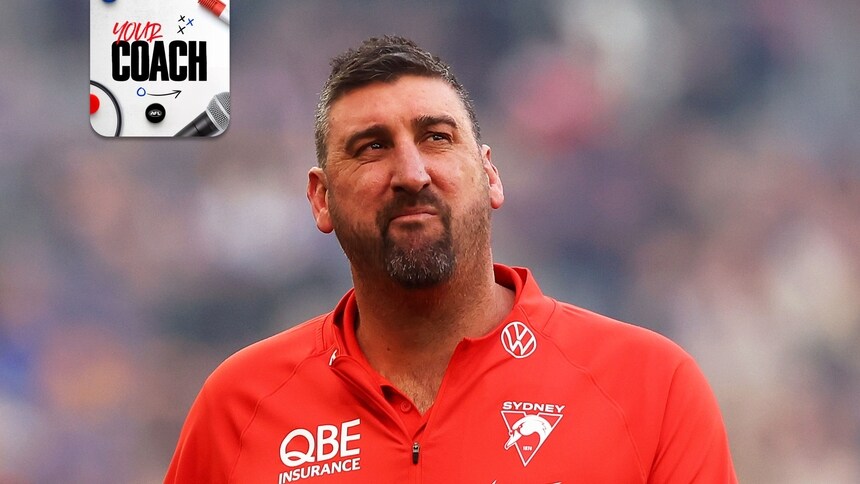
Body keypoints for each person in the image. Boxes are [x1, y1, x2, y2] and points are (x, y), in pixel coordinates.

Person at [165, 35, 737, 483]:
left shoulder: (650, 387)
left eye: (437, 137)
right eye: (372, 147)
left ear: (490, 174)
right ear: (321, 198)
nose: (412, 174)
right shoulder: (239, 407)